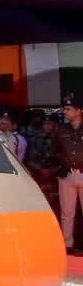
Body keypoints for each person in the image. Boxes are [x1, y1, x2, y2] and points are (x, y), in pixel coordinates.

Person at [55, 96, 83, 251]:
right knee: (67, 213)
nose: (64, 112)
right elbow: (56, 151)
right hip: (67, 175)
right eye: (64, 109)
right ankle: (67, 245)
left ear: (79, 111)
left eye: (68, 109)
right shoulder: (61, 129)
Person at [27, 113, 60, 208]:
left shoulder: (60, 138)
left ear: (55, 125)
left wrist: (53, 170)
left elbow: (64, 158)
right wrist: (41, 170)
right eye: (45, 123)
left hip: (57, 176)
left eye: (49, 123)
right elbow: (30, 160)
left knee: (58, 205)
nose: (46, 126)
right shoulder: (36, 138)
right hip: (40, 175)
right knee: (42, 204)